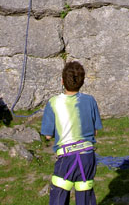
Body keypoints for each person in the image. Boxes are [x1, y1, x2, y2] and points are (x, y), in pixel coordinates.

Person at [41, 61, 102, 205]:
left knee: (59, 197)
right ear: (82, 81)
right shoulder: (90, 101)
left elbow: (48, 135)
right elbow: (95, 131)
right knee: (85, 194)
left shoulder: (53, 102)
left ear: (62, 81)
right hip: (87, 157)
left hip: (67, 159)